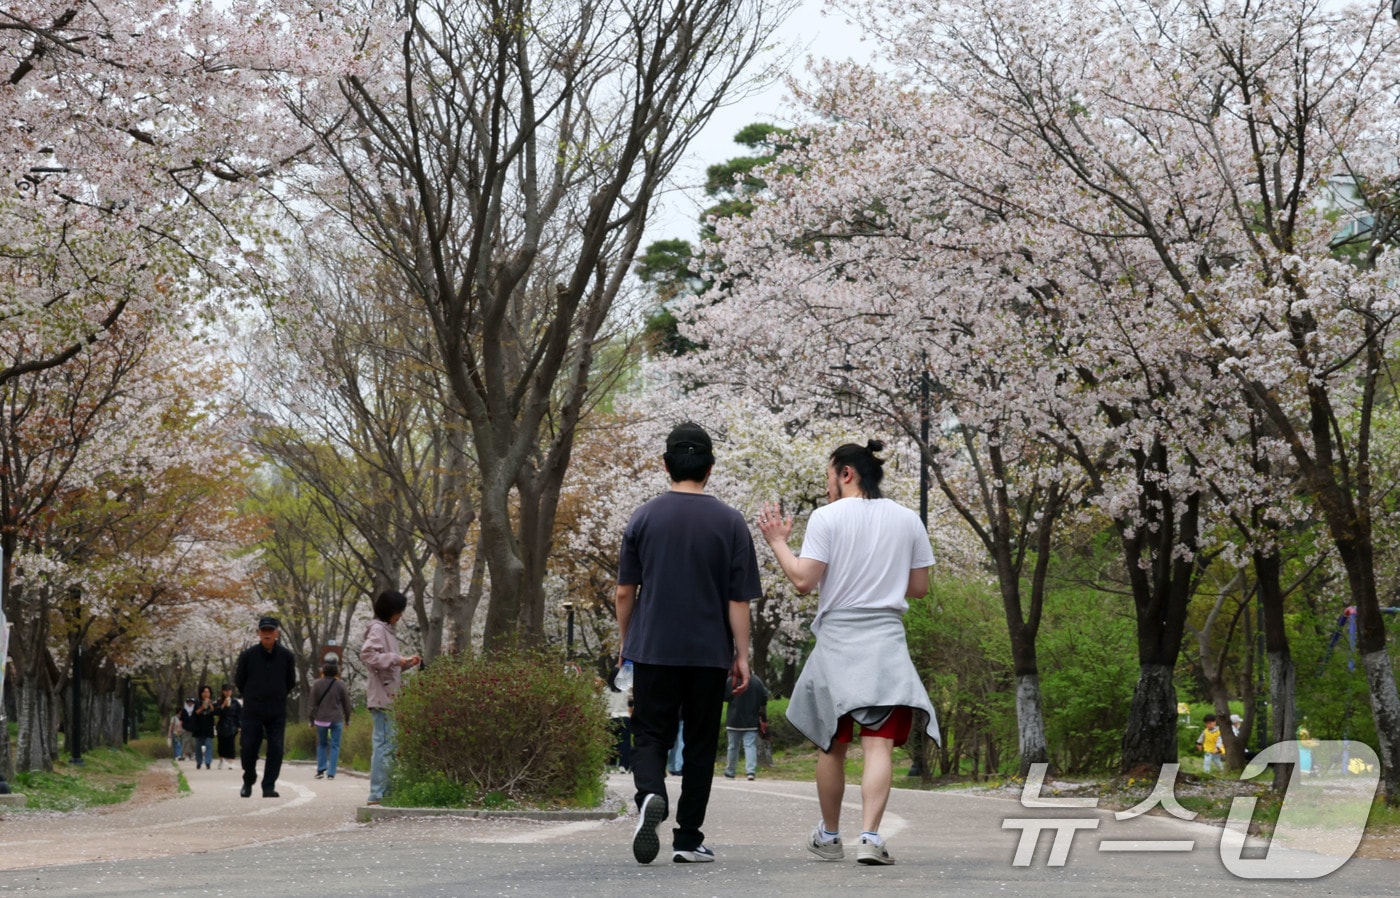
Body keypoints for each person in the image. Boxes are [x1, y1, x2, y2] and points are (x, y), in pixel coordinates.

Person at [757, 439, 940, 867]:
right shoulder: (908, 519)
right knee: (879, 747)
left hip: (838, 643)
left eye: (828, 478)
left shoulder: (827, 518)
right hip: (885, 644)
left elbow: (804, 581)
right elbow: (919, 588)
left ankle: (830, 836)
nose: (826, 489)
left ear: (846, 473)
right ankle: (871, 839)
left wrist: (778, 542)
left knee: (831, 745)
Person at [616, 421, 760, 865]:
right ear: (710, 469)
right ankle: (687, 839)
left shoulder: (643, 517)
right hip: (707, 654)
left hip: (655, 648)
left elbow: (625, 592)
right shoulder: (732, 522)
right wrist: (741, 655)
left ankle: (650, 797)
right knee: (699, 744)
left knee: (650, 735)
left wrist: (628, 643)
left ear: (665, 465)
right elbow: (738, 599)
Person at [360, 589, 421, 806]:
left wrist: (405, 664)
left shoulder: (387, 631)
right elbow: (367, 655)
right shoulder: (378, 629)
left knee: (389, 745)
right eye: (399, 612)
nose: (400, 616)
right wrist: (396, 658)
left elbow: (385, 665)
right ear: (391, 611)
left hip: (388, 695)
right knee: (385, 745)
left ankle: (386, 791)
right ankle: (378, 794)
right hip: (382, 698)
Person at [234, 614, 298, 798]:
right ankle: (248, 778)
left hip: (276, 709)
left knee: (276, 748)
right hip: (253, 709)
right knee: (248, 747)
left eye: (271, 630)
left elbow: (290, 681)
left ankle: (268, 785)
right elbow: (240, 680)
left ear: (277, 632)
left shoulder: (286, 656)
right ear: (258, 633)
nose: (267, 634)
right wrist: (253, 695)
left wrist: (277, 694)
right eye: (264, 631)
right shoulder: (248, 656)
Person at [309, 658, 353, 779]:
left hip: (321, 718)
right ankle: (331, 773)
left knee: (322, 744)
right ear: (337, 671)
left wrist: (311, 720)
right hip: (336, 718)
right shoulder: (340, 684)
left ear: (323, 670)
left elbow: (312, 704)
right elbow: (346, 704)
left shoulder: (317, 684)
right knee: (335, 745)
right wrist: (347, 719)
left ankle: (321, 769)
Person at [723, 671, 768, 781]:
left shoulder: (732, 681)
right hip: (751, 720)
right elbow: (764, 698)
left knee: (733, 746)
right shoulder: (757, 681)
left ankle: (730, 771)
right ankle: (750, 771)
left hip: (734, 719)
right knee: (750, 746)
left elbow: (724, 696)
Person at [604, 669, 633, 774]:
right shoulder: (626, 690)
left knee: (610, 742)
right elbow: (631, 701)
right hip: (624, 717)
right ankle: (623, 765)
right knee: (624, 743)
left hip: (610, 718)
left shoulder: (605, 690)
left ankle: (610, 763)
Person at [189, 685, 217, 770]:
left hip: (208, 727)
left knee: (208, 745)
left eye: (208, 692)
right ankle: (199, 762)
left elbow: (214, 712)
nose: (206, 694)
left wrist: (210, 704)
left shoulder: (212, 702)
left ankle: (208, 762)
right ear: (201, 693)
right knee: (198, 746)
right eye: (204, 692)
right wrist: (203, 706)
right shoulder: (197, 702)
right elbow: (196, 712)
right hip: (199, 727)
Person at [214, 683, 241, 769]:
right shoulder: (219, 701)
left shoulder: (235, 702)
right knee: (221, 743)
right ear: (223, 691)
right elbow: (216, 712)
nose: (228, 692)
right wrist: (223, 704)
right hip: (222, 724)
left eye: (230, 690)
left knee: (231, 743)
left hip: (232, 725)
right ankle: (221, 759)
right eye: (226, 690)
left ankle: (230, 761)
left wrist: (239, 726)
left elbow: (239, 714)